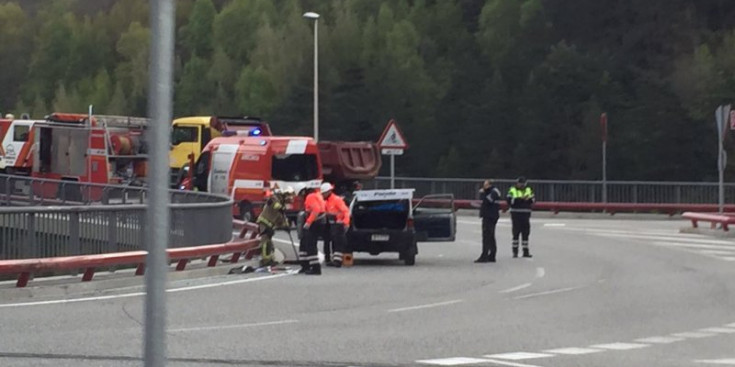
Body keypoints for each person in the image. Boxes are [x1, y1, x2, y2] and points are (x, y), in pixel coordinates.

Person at [255, 186, 295, 267]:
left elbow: (281, 220)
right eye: (288, 195)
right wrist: (282, 208)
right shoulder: (274, 198)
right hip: (264, 223)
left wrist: (286, 226)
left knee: (269, 243)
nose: (289, 198)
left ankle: (269, 259)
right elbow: (276, 206)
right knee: (265, 241)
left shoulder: (281, 206)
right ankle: (264, 261)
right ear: (284, 194)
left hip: (270, 225)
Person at [300, 186, 327, 275]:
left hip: (314, 223)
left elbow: (316, 209)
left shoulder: (310, 197)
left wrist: (308, 222)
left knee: (310, 245)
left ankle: (315, 268)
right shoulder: (318, 195)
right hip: (320, 223)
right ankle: (305, 265)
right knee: (304, 243)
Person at [323, 183, 351, 267]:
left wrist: (346, 222)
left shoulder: (337, 200)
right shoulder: (325, 201)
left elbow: (346, 211)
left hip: (338, 224)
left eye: (323, 193)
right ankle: (328, 259)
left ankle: (337, 261)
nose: (322, 195)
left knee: (337, 242)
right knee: (327, 241)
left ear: (329, 192)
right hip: (329, 224)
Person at [506, 176, 535, 258]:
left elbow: (532, 200)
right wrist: (521, 199)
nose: (521, 185)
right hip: (516, 213)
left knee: (526, 233)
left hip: (526, 214)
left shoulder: (528, 190)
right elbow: (510, 201)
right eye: (520, 183)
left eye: (523, 183)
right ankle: (515, 251)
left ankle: (525, 251)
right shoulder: (512, 190)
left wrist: (527, 199)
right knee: (516, 233)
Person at [476, 179, 501, 263]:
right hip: (489, 215)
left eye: (485, 185)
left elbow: (487, 201)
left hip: (490, 216)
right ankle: (491, 255)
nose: (484, 186)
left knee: (487, 236)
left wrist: (483, 193)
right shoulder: (492, 191)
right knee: (490, 236)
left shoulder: (494, 192)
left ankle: (485, 255)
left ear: (490, 185)